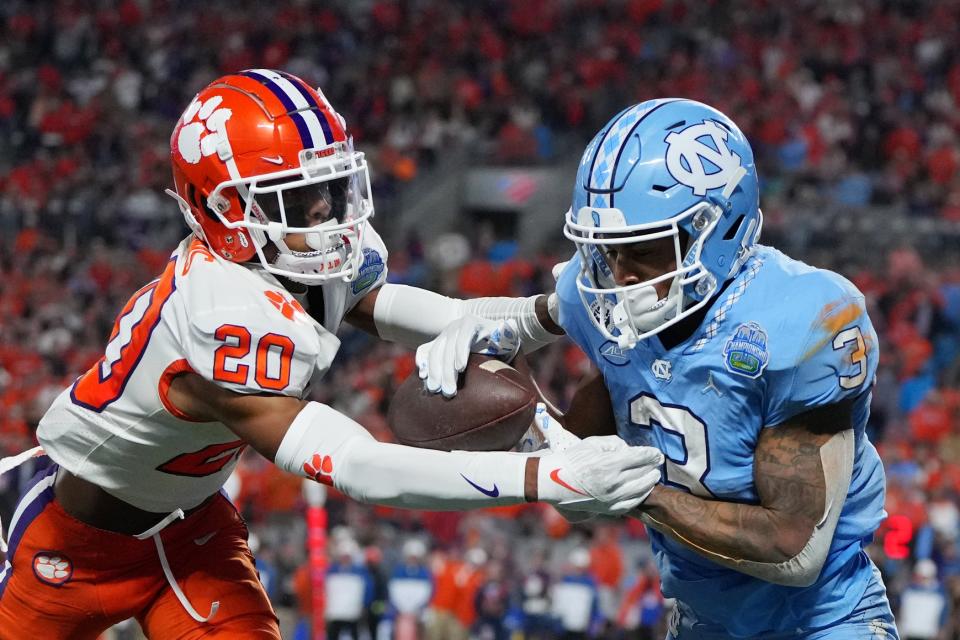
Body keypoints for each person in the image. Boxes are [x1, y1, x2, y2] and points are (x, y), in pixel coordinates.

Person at [0, 70, 665, 639]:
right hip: (71, 543)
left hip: (193, 529)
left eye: (330, 188)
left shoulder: (298, 258)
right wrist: (545, 477)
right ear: (224, 211)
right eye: (299, 198)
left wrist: (549, 315)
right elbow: (358, 468)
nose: (327, 212)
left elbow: (440, 318)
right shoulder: (217, 316)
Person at [418, 99, 900, 638]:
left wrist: (639, 492)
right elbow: (580, 469)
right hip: (698, 623)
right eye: (607, 251)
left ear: (716, 231)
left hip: (821, 624)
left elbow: (793, 550)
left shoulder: (800, 322)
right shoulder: (601, 295)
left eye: (644, 249)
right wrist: (495, 366)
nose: (620, 277)